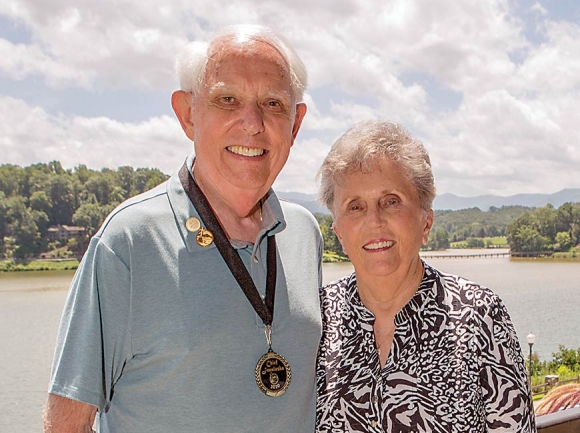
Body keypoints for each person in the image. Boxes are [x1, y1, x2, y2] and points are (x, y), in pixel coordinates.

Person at [44, 24, 323, 432]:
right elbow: (67, 421)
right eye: (227, 99)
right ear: (187, 114)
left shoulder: (303, 234)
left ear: (295, 125)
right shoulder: (128, 242)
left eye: (273, 104)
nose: (252, 122)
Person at [315, 120, 536, 432]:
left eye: (391, 201)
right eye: (355, 207)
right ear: (338, 232)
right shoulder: (315, 319)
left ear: (426, 222)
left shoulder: (480, 316)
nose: (374, 220)